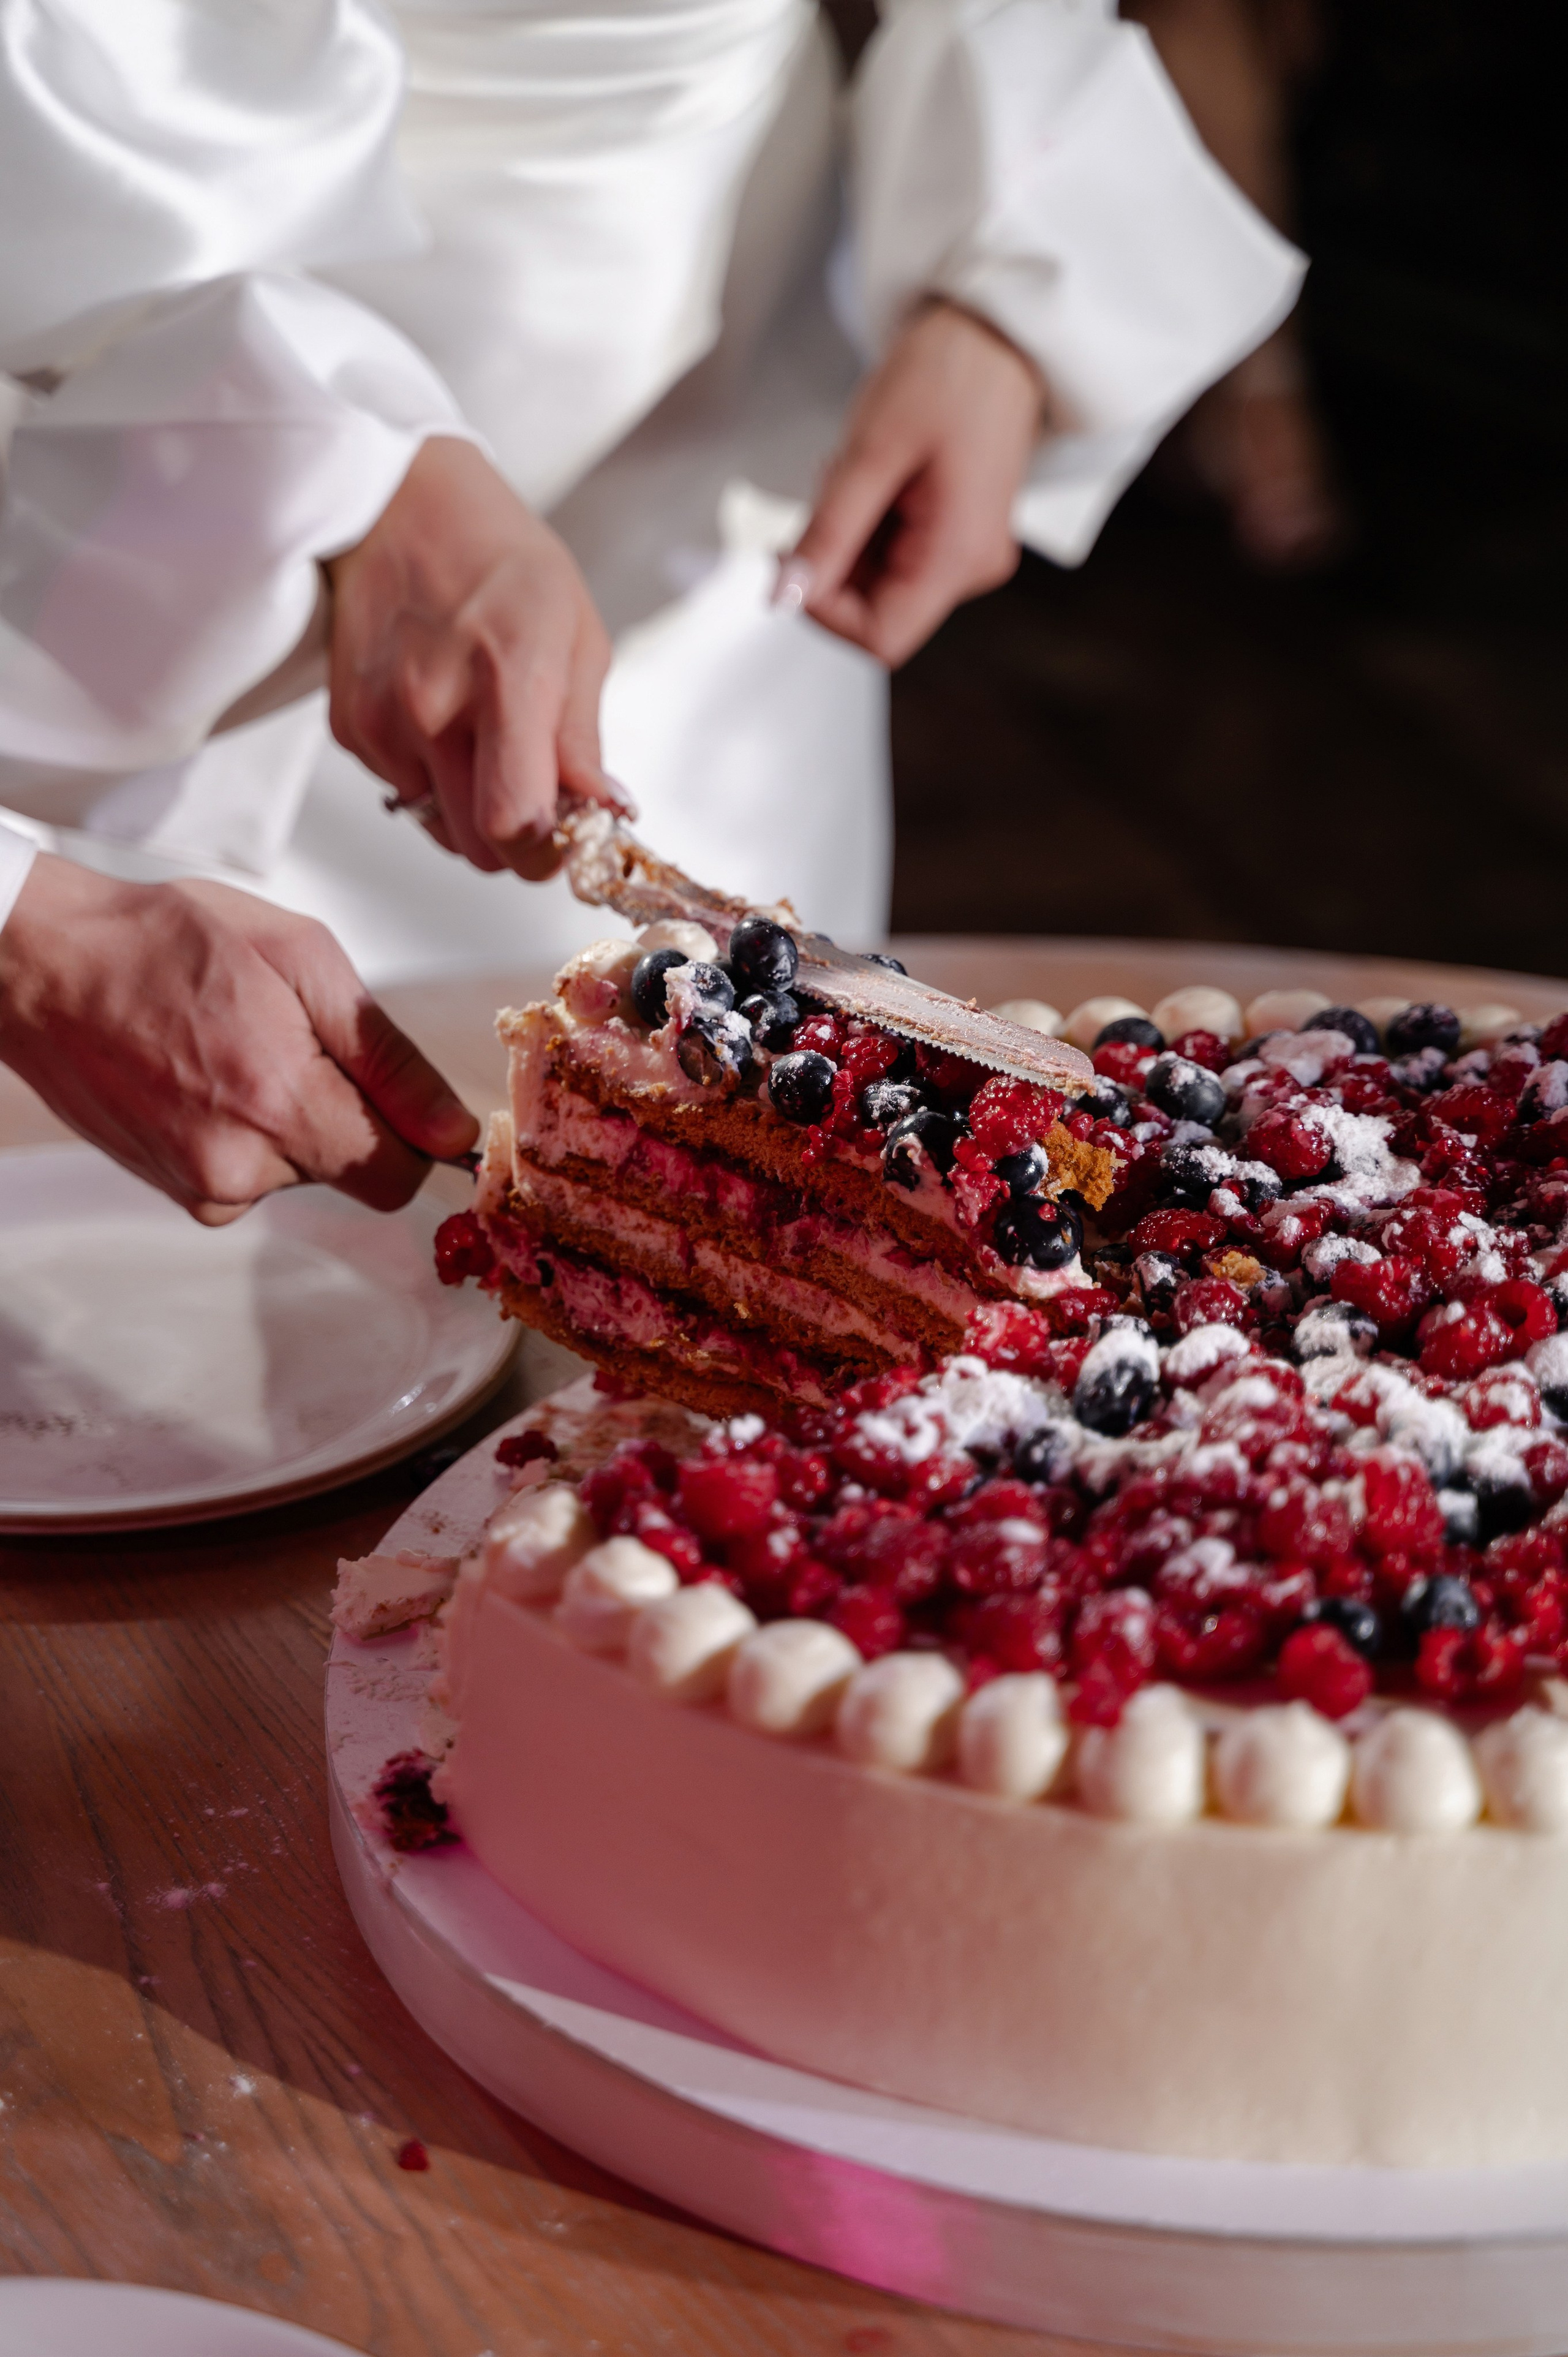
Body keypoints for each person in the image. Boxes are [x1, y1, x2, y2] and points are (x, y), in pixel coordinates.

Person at [0, 0, 1300, 1225]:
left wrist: (1012, 282)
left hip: (722, 555)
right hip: (103, 545)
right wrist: (26, 931)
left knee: (781, 1233)